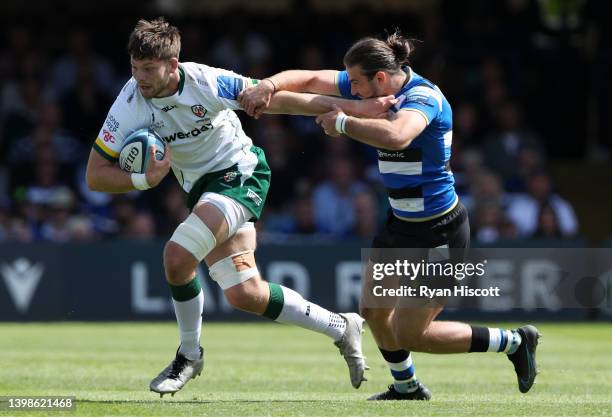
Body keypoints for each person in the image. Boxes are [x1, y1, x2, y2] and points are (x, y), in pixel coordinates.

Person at [86, 18, 395, 397]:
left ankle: (188, 354)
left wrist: (358, 109)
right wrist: (142, 181)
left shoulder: (206, 82)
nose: (141, 78)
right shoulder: (130, 101)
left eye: (148, 69)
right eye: (135, 68)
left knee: (176, 256)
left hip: (240, 173)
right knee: (243, 293)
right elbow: (95, 174)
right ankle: (340, 325)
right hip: (201, 190)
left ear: (173, 64)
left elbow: (280, 100)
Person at [239, 30, 541, 400]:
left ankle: (513, 341)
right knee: (374, 311)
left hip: (439, 232)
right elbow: (309, 80)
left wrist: (344, 123)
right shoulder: (370, 85)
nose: (352, 90)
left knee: (413, 334)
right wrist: (266, 87)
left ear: (380, 78)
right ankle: (407, 386)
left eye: (356, 84)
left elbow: (398, 135)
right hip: (401, 226)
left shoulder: (424, 97)